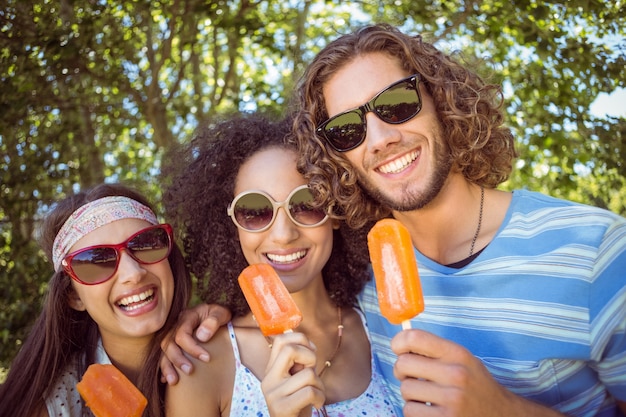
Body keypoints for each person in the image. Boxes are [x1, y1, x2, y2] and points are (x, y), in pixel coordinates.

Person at [164, 24, 626, 417]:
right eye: (348, 128)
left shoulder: (596, 252)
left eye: (398, 102)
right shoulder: (368, 277)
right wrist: (207, 313)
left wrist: (505, 409)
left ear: (442, 98)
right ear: (337, 160)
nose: (381, 138)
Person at [161, 113, 397, 416]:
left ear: (336, 212)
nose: (284, 234)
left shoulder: (379, 326)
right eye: (255, 211)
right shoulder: (200, 361)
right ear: (233, 226)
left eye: (307, 204)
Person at [0, 183, 194, 417]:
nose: (134, 273)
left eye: (145, 244)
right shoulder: (51, 407)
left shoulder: (221, 347)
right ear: (73, 296)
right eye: (95, 262)